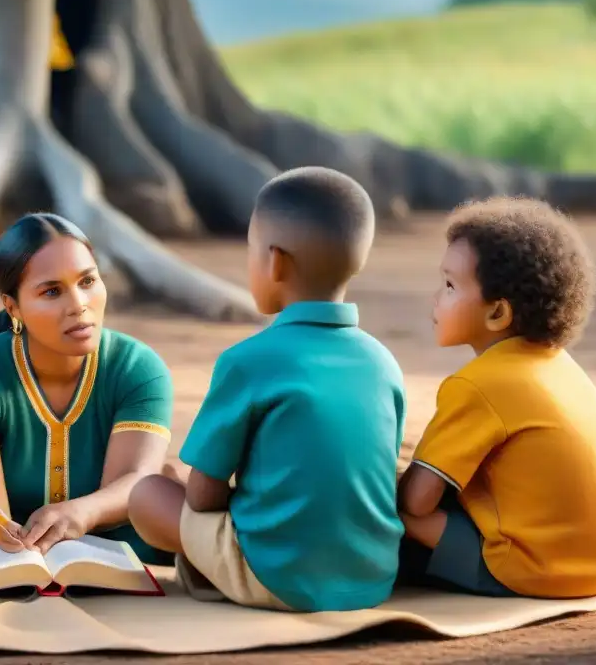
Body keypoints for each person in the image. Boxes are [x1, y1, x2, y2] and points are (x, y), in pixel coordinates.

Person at [128, 167, 407, 613]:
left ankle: (217, 573)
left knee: (147, 493)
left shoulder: (248, 361)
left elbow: (203, 496)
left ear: (275, 261)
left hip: (278, 577)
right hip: (371, 577)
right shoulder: (383, 363)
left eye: (250, 250)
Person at [398, 196, 596, 599]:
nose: (436, 298)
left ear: (497, 315)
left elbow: (418, 503)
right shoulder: (560, 365)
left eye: (451, 286)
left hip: (533, 570)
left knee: (385, 513)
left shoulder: (478, 385)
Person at [0, 213, 175, 564]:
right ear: (13, 307)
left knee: (174, 506)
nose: (79, 304)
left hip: (106, 525)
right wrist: (2, 532)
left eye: (87, 281)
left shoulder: (139, 369)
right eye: (52, 291)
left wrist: (81, 513)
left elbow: (134, 480)